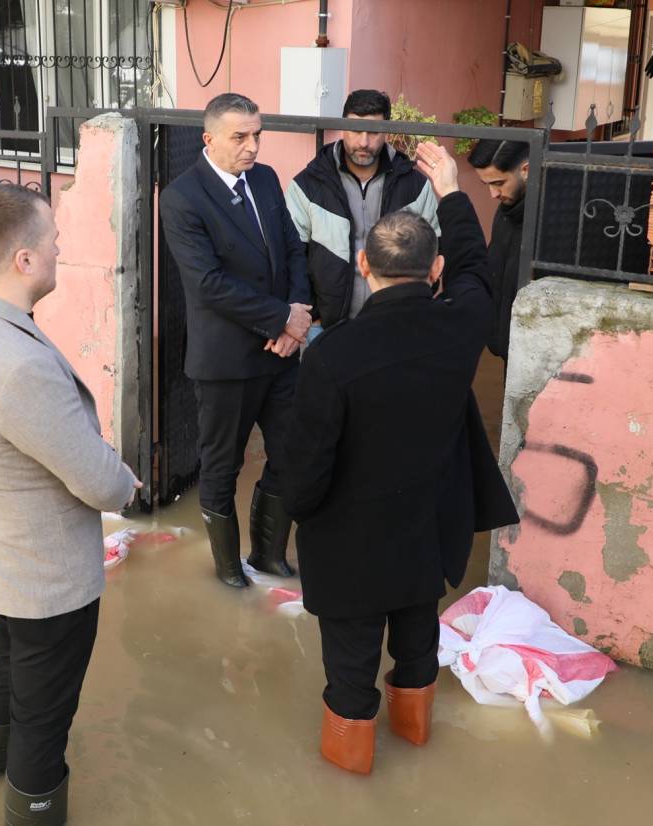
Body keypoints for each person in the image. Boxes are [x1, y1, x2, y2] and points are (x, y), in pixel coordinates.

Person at [282, 144, 519, 775]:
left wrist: (301, 515)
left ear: (363, 266)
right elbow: (477, 270)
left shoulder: (332, 355)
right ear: (434, 268)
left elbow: (307, 467)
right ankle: (414, 736)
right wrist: (451, 192)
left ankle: (351, 773)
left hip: (351, 545)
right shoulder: (461, 326)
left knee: (349, 670)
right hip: (426, 533)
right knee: (418, 646)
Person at [0, 184, 140, 825]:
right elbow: (98, 482)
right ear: (24, 260)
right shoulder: (18, 366)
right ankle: (31, 808)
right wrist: (126, 483)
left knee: (7, 663)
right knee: (44, 718)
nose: (60, 251)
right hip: (44, 577)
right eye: (53, 242)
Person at [159, 93, 312, 588]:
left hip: (281, 355)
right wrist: (282, 319)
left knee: (293, 454)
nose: (252, 146)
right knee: (222, 467)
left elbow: (292, 249)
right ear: (209, 139)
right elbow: (208, 284)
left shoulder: (265, 179)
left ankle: (268, 557)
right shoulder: (182, 198)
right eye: (240, 137)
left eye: (257, 135)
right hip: (226, 361)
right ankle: (229, 572)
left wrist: (298, 315)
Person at [285, 89, 440, 338]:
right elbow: (293, 256)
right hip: (326, 329)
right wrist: (312, 315)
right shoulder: (308, 184)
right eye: (356, 130)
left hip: (397, 328)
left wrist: (416, 309)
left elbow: (433, 252)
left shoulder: (415, 186)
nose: (364, 142)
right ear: (342, 127)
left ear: (386, 131)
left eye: (373, 132)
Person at [466, 137, 530, 362]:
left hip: (532, 350)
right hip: (508, 349)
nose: (493, 194)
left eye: (499, 183)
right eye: (488, 185)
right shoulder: (505, 213)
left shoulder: (547, 219)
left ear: (525, 170)